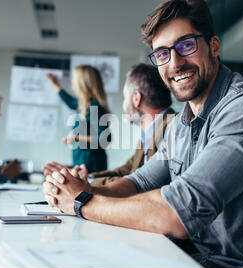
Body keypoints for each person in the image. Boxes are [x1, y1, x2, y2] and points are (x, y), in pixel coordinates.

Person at [43, 0, 243, 268]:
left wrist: (82, 203)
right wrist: (88, 190)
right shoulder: (180, 124)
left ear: (214, 46)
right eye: (162, 53)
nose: (175, 63)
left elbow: (179, 212)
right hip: (201, 260)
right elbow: (140, 181)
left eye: (186, 45)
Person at [43, 63, 177, 186]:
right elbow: (126, 171)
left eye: (125, 97)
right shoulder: (148, 134)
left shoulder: (171, 129)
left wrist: (85, 179)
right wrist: (84, 176)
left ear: (136, 99)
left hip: (93, 163)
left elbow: (141, 183)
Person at [46, 65, 111, 173]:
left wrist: (76, 137)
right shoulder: (83, 106)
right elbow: (70, 101)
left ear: (83, 84)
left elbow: (104, 139)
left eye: (74, 79)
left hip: (92, 166)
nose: (72, 82)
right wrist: (55, 84)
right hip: (82, 164)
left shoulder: (94, 108)